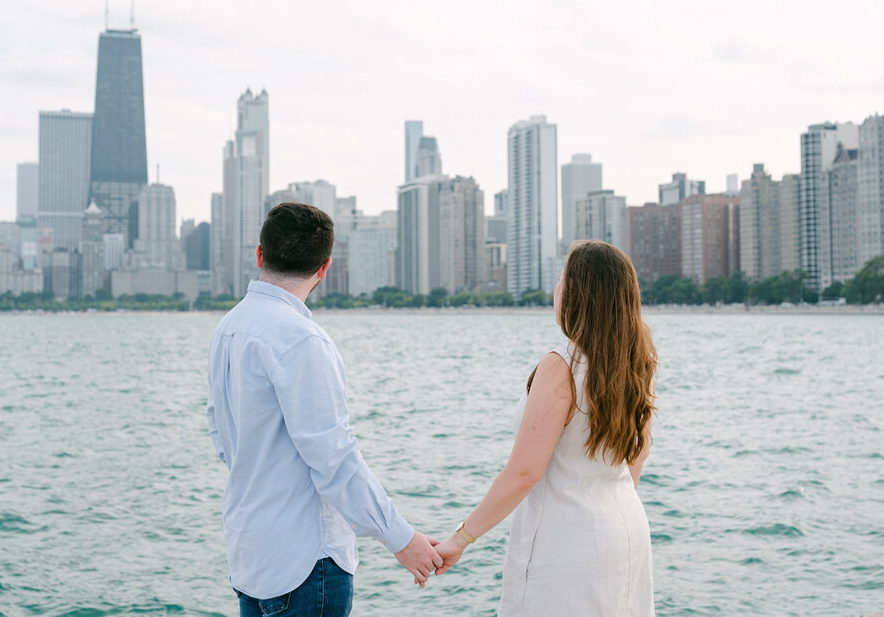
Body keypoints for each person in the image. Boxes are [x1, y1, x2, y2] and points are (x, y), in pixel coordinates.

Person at [207, 202, 443, 617]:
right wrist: (402, 540)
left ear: (260, 255)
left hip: (250, 554)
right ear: (325, 268)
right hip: (304, 562)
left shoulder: (228, 329)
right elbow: (334, 459)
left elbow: (222, 439)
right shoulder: (301, 339)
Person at [434, 240, 659, 616]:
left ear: (573, 291)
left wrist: (461, 539)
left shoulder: (562, 366)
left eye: (560, 279)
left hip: (567, 540)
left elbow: (525, 472)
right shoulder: (639, 364)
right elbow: (637, 456)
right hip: (626, 530)